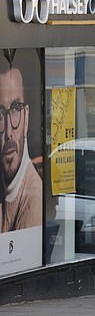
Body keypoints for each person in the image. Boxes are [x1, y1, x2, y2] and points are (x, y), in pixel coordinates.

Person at [0, 63, 42, 232]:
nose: (9, 131)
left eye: (16, 108)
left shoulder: (33, 197)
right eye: (0, 113)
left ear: (26, 117)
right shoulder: (4, 183)